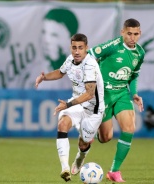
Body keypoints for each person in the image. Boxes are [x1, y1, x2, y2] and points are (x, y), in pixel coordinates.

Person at [35, 33, 105, 182]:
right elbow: (60, 73)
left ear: (86, 48)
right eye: (74, 48)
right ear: (70, 47)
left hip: (93, 110)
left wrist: (67, 104)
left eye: (80, 48)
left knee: (84, 141)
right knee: (62, 124)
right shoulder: (71, 60)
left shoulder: (90, 64)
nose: (77, 51)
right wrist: (44, 77)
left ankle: (80, 157)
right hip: (77, 103)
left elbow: (90, 94)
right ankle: (65, 168)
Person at [87, 18, 145, 182]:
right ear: (122, 32)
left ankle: (114, 171)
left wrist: (134, 93)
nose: (132, 37)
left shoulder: (140, 53)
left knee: (129, 128)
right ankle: (91, 130)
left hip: (122, 94)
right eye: (129, 33)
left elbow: (134, 75)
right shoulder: (113, 46)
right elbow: (89, 55)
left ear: (140, 34)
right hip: (103, 94)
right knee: (106, 138)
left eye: (135, 34)